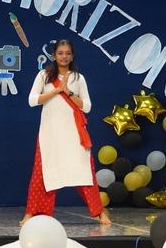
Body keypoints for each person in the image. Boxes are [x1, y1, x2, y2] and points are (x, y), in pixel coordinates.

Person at [20, 40, 110, 226]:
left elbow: (87, 107)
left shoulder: (78, 78)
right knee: (43, 174)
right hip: (50, 134)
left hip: (75, 135)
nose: (64, 56)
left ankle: (100, 212)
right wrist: (56, 91)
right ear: (54, 55)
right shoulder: (44, 75)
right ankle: (31, 214)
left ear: (72, 56)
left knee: (84, 173)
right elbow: (32, 100)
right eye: (60, 53)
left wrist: (68, 92)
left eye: (68, 53)